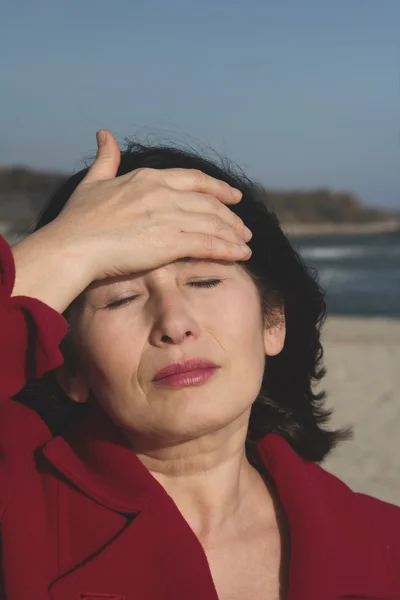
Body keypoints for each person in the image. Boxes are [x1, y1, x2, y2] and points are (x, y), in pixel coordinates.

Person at [1, 129, 399, 600]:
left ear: (273, 321)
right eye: (121, 298)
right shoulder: (17, 508)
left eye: (205, 280)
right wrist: (67, 245)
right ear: (70, 365)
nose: (174, 323)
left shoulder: (382, 543)